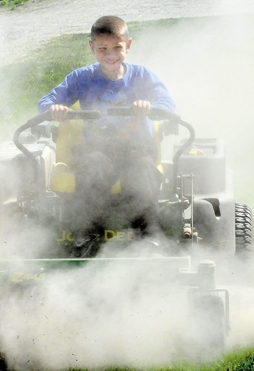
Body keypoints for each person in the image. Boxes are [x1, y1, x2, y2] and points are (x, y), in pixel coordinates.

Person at [38, 15, 176, 256]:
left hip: (136, 148)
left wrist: (149, 106)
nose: (110, 54)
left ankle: (148, 236)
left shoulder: (142, 76)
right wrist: (55, 110)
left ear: (128, 46)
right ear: (92, 48)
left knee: (142, 170)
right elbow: (46, 102)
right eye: (102, 48)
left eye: (117, 48)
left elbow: (166, 102)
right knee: (92, 165)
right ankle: (87, 234)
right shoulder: (81, 78)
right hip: (96, 148)